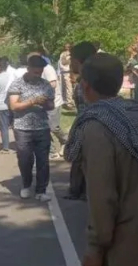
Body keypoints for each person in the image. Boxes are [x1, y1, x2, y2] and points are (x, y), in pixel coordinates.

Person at [64, 54, 138, 266]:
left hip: (127, 242)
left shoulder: (97, 127)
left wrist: (95, 248)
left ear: (85, 86)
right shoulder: (132, 112)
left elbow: (102, 197)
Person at [8, 55, 55, 202]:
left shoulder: (45, 85)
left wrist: (44, 104)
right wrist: (32, 101)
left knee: (43, 160)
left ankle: (41, 190)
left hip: (41, 127)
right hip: (23, 128)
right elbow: (14, 106)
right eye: (35, 72)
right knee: (25, 159)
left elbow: (51, 106)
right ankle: (26, 185)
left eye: (40, 72)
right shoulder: (17, 84)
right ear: (28, 69)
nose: (38, 74)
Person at [64, 41, 99, 201]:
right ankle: (78, 190)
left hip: (90, 127)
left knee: (86, 161)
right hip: (88, 125)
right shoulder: (91, 78)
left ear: (77, 61)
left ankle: (85, 190)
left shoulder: (88, 81)